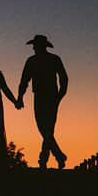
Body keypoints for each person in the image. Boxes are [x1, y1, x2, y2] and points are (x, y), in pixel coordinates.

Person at [17, 34, 68, 169]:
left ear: (39, 46)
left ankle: (44, 159)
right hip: (45, 96)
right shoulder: (39, 60)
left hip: (47, 96)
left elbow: (64, 79)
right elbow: (24, 80)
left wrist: (59, 97)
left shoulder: (40, 60)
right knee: (46, 129)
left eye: (35, 45)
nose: (33, 47)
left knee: (46, 128)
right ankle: (58, 156)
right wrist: (20, 97)